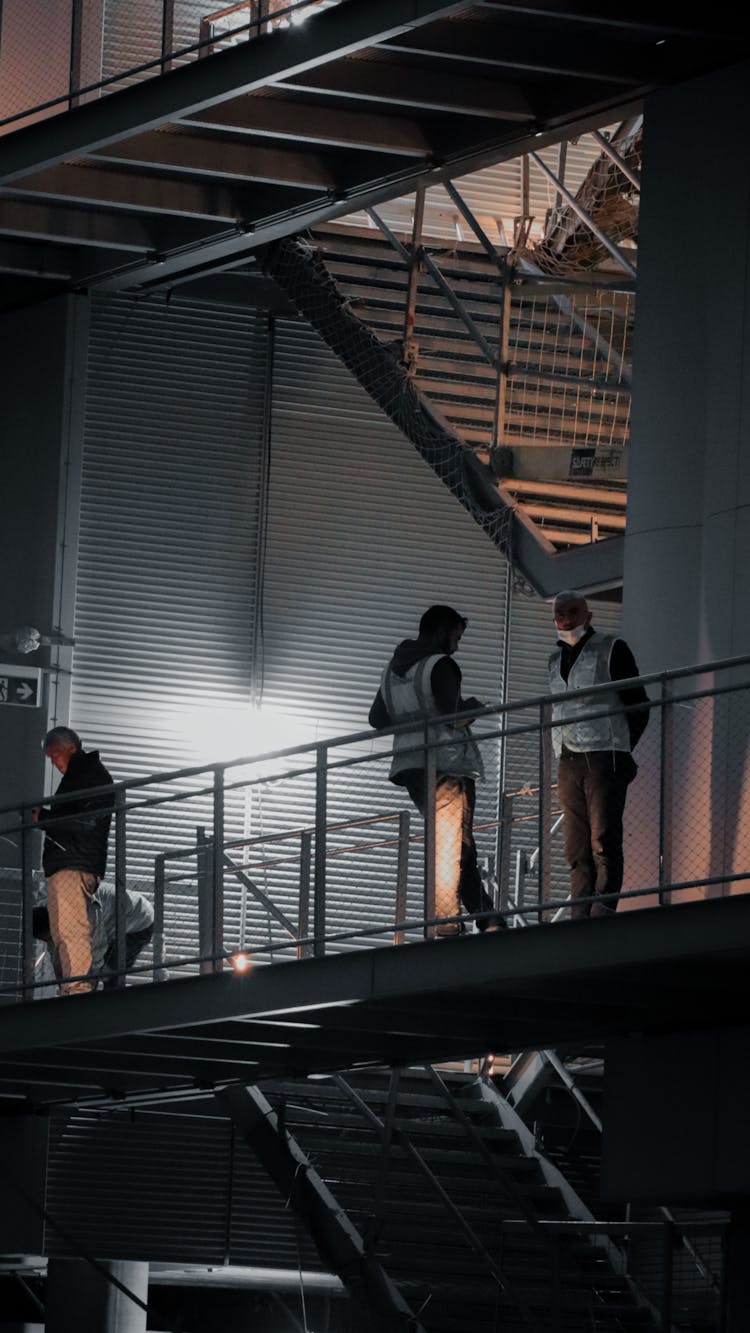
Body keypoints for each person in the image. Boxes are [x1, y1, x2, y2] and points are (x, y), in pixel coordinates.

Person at [369, 605, 504, 936]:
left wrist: (415, 718)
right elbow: (452, 715)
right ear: (442, 629)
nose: (458, 641)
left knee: (457, 845)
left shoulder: (395, 669)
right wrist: (473, 707)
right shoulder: (440, 664)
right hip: (446, 764)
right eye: (456, 634)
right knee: (451, 846)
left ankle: (488, 918)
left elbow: (377, 719)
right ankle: (447, 923)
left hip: (412, 766)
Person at [548, 591, 650, 918]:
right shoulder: (554, 659)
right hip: (567, 757)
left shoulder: (611, 648)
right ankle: (581, 912)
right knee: (575, 846)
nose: (565, 617)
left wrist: (620, 747)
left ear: (588, 615)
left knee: (603, 839)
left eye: (573, 611)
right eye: (560, 612)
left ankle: (603, 907)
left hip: (604, 754)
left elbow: (638, 703)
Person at [32, 726, 114, 995]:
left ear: (70, 747)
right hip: (74, 861)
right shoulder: (85, 774)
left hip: (73, 863)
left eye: (55, 755)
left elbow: (85, 822)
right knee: (65, 930)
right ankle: (74, 986)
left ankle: (77, 988)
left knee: (70, 929)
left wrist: (43, 819)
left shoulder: (87, 775)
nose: (54, 763)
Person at [33, 883, 155, 991]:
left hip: (138, 919)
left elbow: (97, 949)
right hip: (112, 920)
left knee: (110, 973)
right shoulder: (49, 912)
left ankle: (108, 1009)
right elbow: (55, 950)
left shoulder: (85, 913)